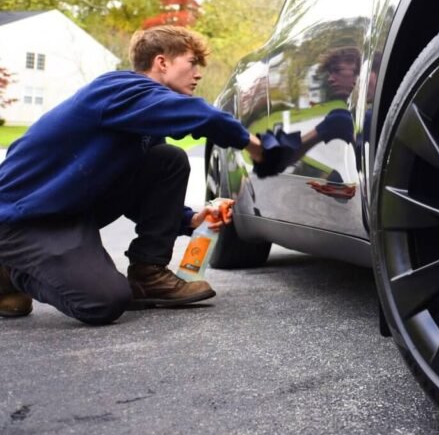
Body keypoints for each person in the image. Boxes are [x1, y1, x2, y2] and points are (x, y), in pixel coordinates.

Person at [0, 26, 264, 325]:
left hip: (71, 211)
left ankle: (148, 274)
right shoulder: (116, 89)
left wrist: (189, 219)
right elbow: (202, 116)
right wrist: (254, 145)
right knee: (104, 302)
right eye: (192, 63)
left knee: (167, 159)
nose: (198, 73)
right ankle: (10, 268)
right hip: (22, 220)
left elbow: (140, 190)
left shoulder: (143, 117)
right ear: (161, 62)